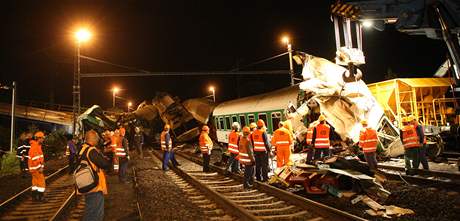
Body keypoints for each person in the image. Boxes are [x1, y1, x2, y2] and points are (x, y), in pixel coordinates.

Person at [78, 130, 111, 221]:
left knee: (90, 211)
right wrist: (107, 158)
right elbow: (104, 164)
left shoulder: (82, 149)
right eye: (97, 138)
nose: (98, 140)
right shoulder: (91, 150)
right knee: (95, 213)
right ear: (93, 139)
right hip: (94, 186)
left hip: (86, 184)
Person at [28, 131, 46, 201]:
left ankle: (34, 197)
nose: (43, 140)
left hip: (33, 169)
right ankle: (41, 197)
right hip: (37, 169)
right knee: (41, 182)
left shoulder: (35, 146)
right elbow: (36, 159)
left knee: (35, 183)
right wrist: (40, 167)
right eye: (42, 138)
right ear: (38, 138)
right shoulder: (35, 147)